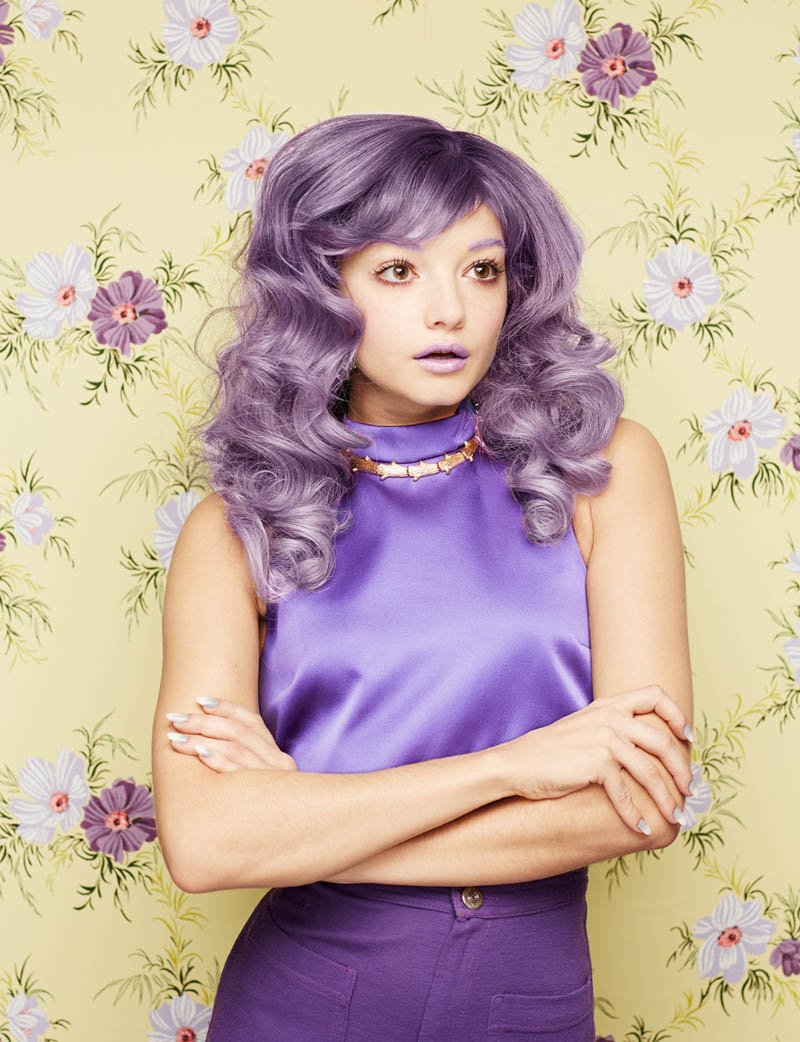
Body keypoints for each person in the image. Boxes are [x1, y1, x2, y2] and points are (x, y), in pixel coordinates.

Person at [151, 113, 694, 1042]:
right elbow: (204, 846)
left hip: (528, 1004)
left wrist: (306, 820)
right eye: (398, 271)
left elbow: (643, 805)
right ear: (322, 289)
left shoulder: (602, 470)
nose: (450, 311)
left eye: (481, 270)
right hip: (304, 1002)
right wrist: (514, 767)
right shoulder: (235, 529)